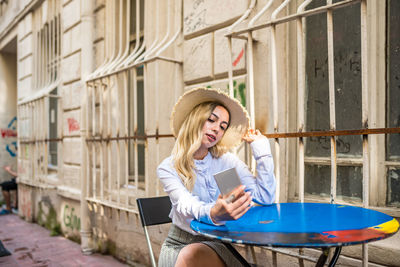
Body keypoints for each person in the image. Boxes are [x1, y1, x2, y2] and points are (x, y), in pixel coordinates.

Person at [157, 87, 276, 267]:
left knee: (193, 255)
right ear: (196, 119)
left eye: (222, 127)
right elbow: (185, 205)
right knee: (190, 254)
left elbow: (264, 197)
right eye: (211, 120)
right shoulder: (169, 167)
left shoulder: (224, 163)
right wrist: (214, 213)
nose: (216, 129)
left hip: (218, 244)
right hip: (179, 244)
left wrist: (262, 151)